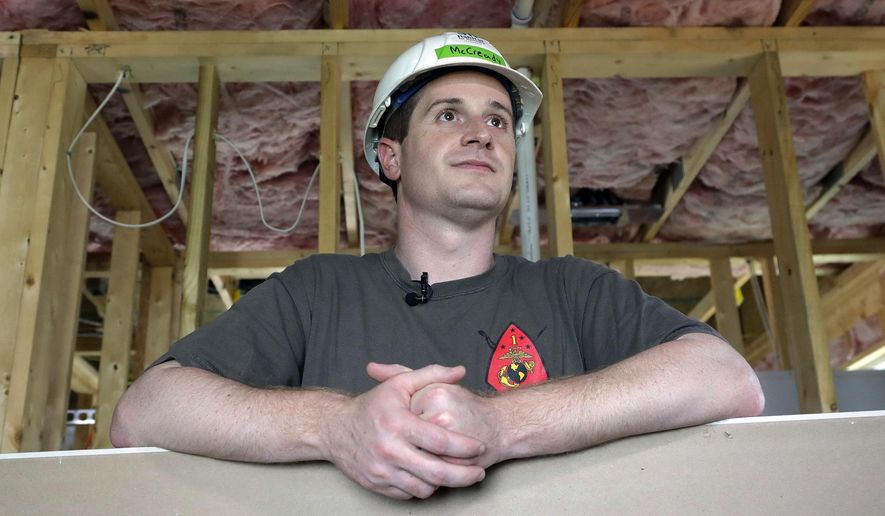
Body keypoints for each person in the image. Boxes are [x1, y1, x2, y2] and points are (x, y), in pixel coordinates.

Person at [110, 32, 764, 500]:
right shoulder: (316, 292)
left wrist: (502, 425)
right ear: (390, 159)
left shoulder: (572, 289)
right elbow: (146, 411)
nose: (482, 133)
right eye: (448, 115)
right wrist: (335, 426)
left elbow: (724, 379)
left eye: (499, 121)